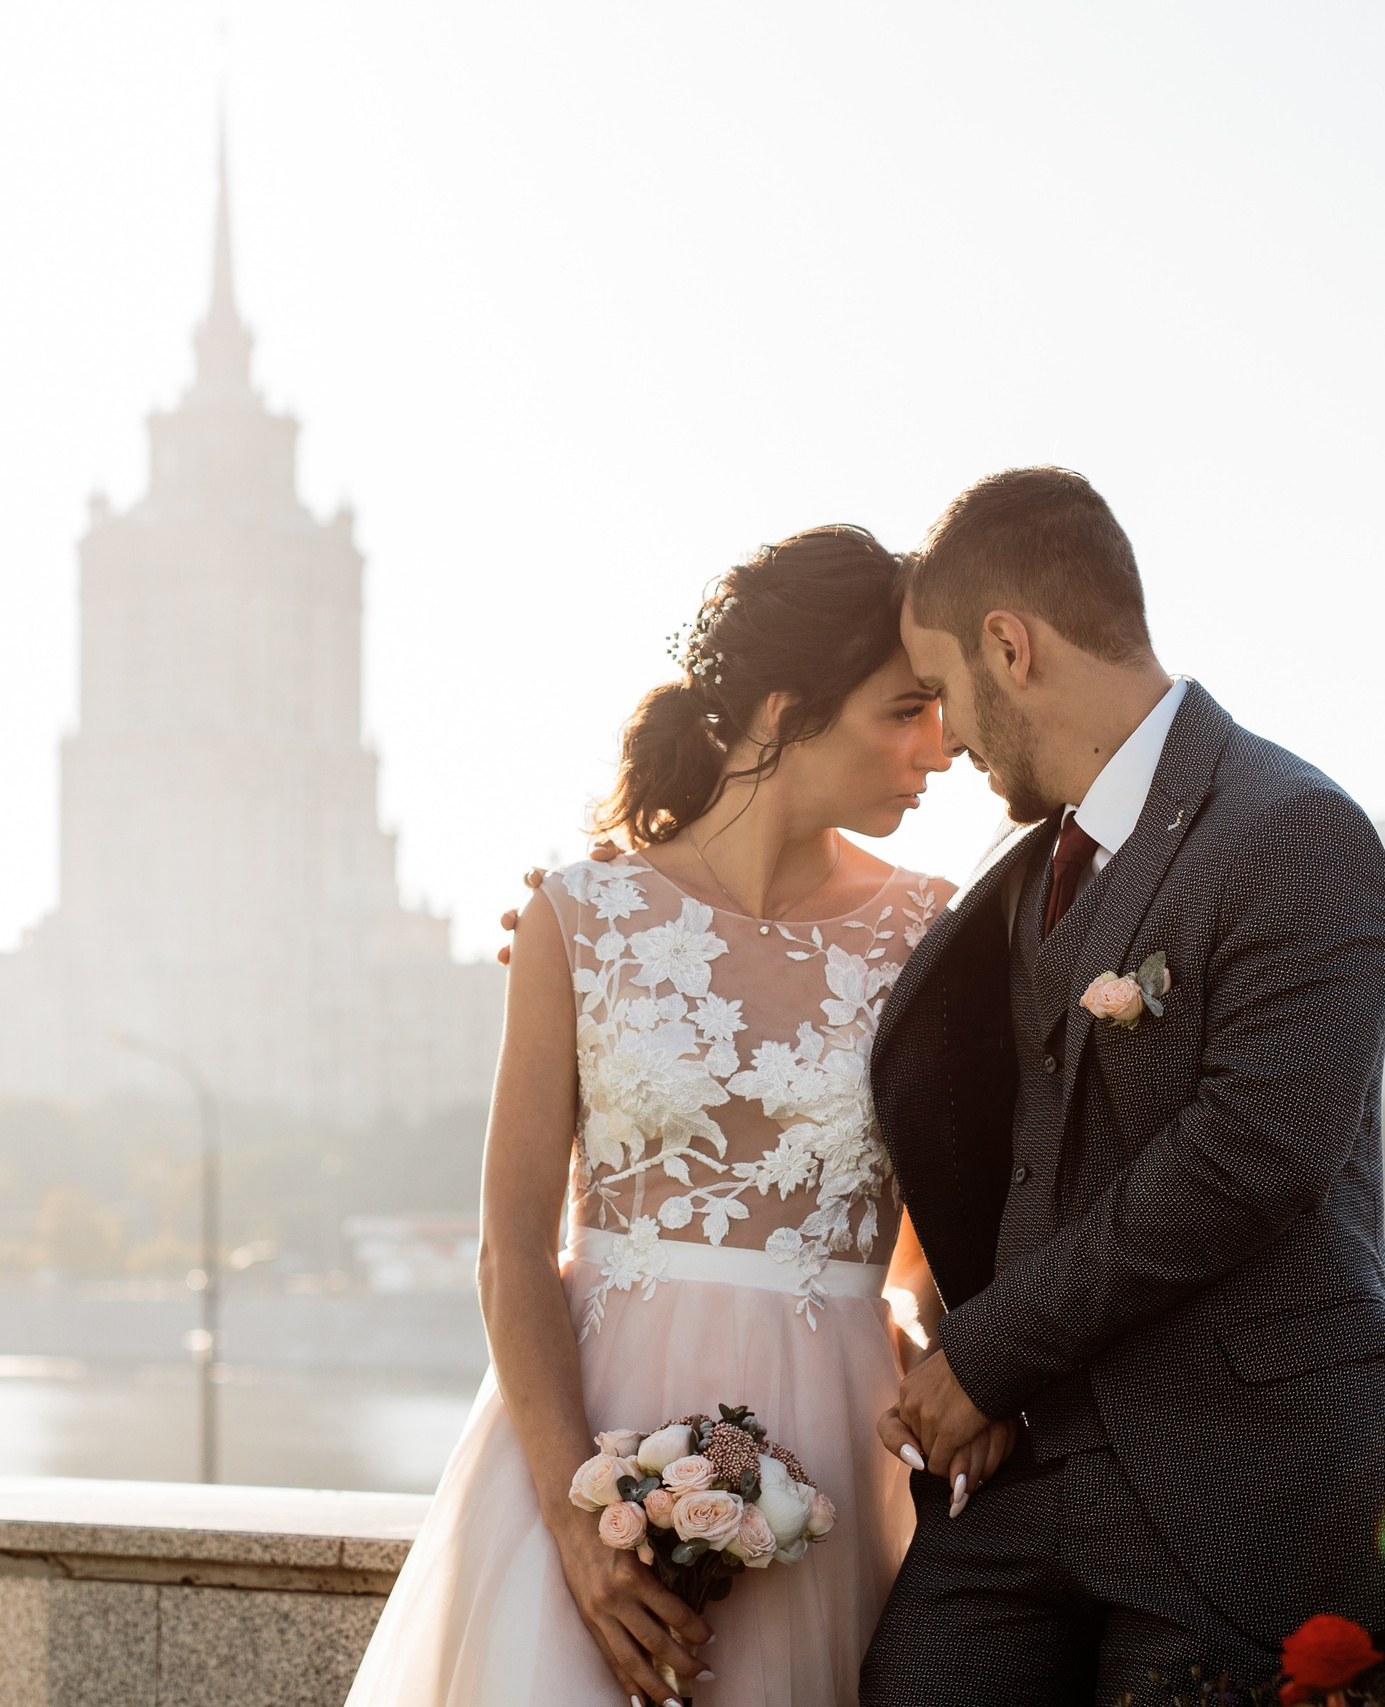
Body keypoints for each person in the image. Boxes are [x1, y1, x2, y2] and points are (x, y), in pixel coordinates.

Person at [343, 524, 999, 1707]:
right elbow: (510, 1247)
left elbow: (945, 1243)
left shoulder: (938, 935)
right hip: (582, 1447)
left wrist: (953, 1368)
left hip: (828, 1462)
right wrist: (575, 1520)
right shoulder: (577, 915)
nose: (939, 748)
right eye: (904, 711)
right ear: (788, 708)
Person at [858, 467, 1385, 1701]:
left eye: (946, 696)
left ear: (1010, 647)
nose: (946, 739)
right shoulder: (1027, 863)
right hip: (1017, 1492)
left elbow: (1254, 1154)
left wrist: (985, 1356)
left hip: (1238, 1492)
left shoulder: (1297, 833)